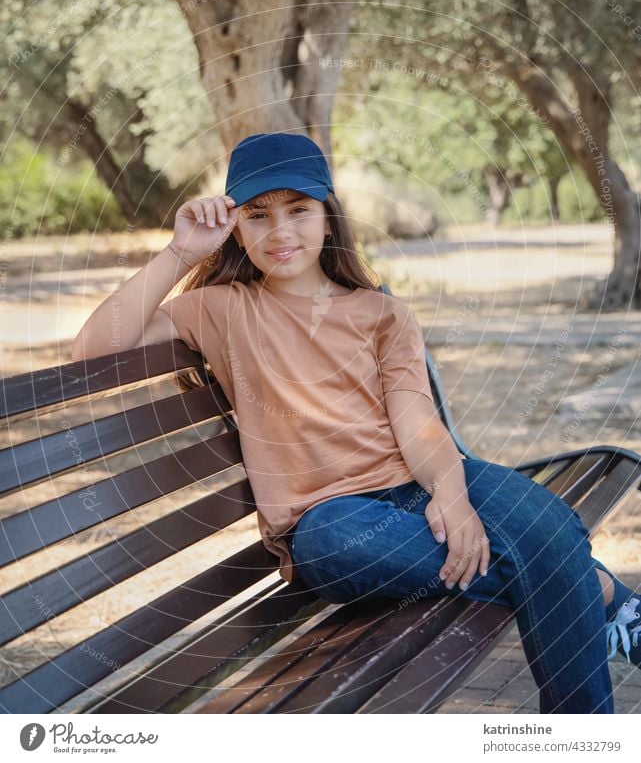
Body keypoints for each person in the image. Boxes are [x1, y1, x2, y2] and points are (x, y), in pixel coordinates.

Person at [72, 132, 641, 715]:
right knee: (509, 554)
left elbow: (416, 418)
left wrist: (451, 493)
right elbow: (92, 350)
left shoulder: (381, 314)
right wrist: (180, 254)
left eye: (298, 210)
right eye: (258, 216)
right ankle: (596, 591)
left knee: (552, 523)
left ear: (327, 217)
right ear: (236, 227)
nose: (281, 231)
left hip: (419, 479)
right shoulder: (222, 308)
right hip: (328, 519)